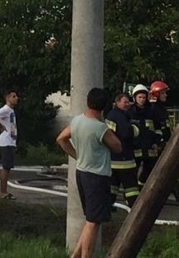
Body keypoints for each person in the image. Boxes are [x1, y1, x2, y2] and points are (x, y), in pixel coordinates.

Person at [56, 88, 122, 258]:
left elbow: (61, 138)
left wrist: (76, 155)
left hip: (82, 172)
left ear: (88, 101)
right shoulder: (100, 128)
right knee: (93, 222)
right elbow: (117, 146)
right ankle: (86, 256)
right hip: (98, 177)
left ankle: (76, 255)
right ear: (104, 106)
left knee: (91, 219)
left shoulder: (77, 121)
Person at [150, 80, 179, 203]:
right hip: (156, 146)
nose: (166, 95)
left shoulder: (161, 109)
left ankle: (177, 194)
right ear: (156, 94)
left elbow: (165, 128)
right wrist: (159, 142)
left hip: (163, 144)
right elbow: (153, 128)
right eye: (163, 93)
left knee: (167, 170)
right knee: (158, 172)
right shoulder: (153, 109)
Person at [105, 93, 140, 208]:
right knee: (131, 189)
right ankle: (134, 210)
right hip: (125, 161)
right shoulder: (120, 117)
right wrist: (136, 128)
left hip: (112, 160)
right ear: (117, 102)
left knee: (112, 187)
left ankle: (108, 208)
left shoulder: (111, 115)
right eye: (125, 102)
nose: (127, 104)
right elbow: (126, 133)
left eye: (128, 102)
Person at [0, 89, 19, 200]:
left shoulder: (10, 111)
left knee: (8, 167)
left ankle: (4, 191)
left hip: (11, 141)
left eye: (16, 96)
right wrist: (0, 126)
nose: (16, 98)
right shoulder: (5, 109)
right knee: (6, 167)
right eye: (13, 96)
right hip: (6, 141)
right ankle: (3, 192)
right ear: (7, 98)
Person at [127, 84, 158, 186]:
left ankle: (141, 188)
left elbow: (155, 129)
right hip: (135, 148)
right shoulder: (130, 112)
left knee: (149, 170)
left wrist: (156, 142)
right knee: (132, 172)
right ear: (134, 98)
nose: (142, 100)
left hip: (149, 147)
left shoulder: (151, 112)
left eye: (144, 97)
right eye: (139, 97)